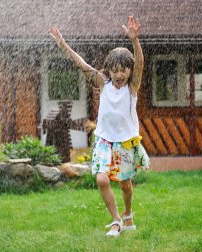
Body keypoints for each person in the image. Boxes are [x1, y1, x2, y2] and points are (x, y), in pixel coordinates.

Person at [50, 16, 149, 237]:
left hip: (125, 141)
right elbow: (82, 65)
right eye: (115, 70)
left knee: (125, 184)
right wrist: (63, 45)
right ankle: (116, 221)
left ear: (130, 72)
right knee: (101, 178)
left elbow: (140, 63)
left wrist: (135, 40)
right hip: (104, 140)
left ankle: (128, 213)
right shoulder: (103, 84)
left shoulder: (132, 88)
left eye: (124, 70)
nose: (120, 74)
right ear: (109, 71)